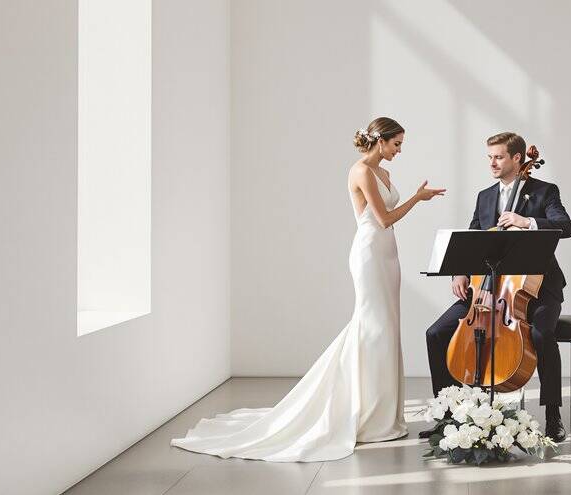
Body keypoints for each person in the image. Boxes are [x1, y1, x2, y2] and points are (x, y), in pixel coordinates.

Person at [172, 117, 445, 461]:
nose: (399, 150)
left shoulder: (384, 173)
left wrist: (415, 197)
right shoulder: (361, 171)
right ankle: (367, 415)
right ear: (381, 141)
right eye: (397, 144)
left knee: (386, 329)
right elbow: (384, 219)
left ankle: (383, 414)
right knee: (373, 328)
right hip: (369, 253)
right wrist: (418, 198)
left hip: (388, 254)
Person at [422, 132, 571, 443]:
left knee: (542, 335)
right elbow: (474, 235)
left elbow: (565, 226)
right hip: (489, 290)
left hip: (537, 288)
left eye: (499, 157)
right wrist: (460, 272)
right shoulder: (485, 196)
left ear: (518, 159)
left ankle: (553, 415)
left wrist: (526, 221)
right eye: (489, 157)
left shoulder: (544, 191)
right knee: (436, 333)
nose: (492, 163)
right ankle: (448, 414)